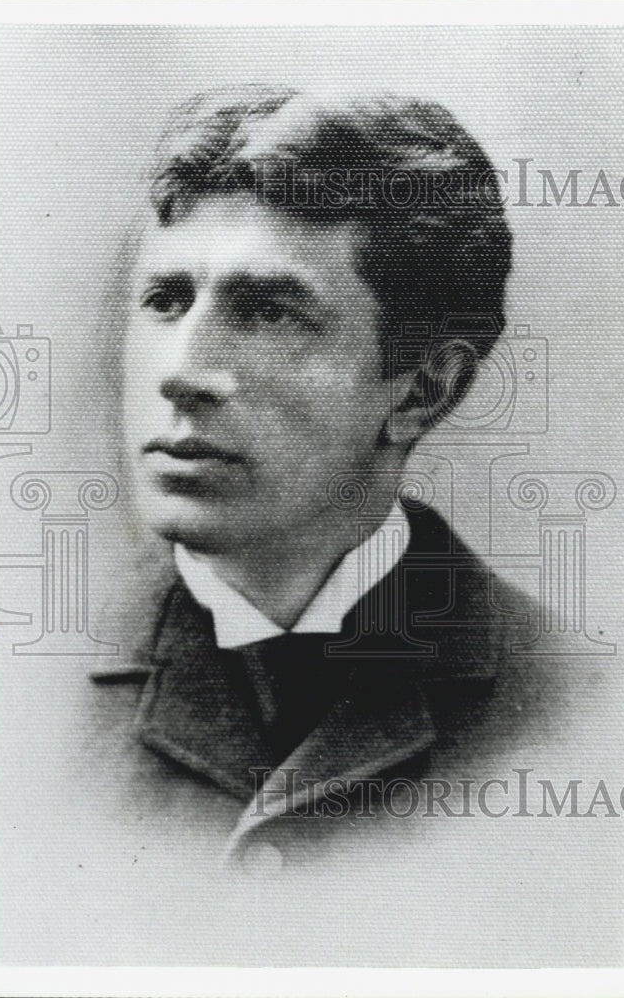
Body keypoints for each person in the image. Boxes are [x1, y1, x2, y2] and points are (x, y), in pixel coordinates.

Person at [88, 85, 561, 866]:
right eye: (166, 301)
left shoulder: (587, 702)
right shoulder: (8, 684)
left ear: (420, 391)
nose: (180, 373)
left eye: (269, 313)